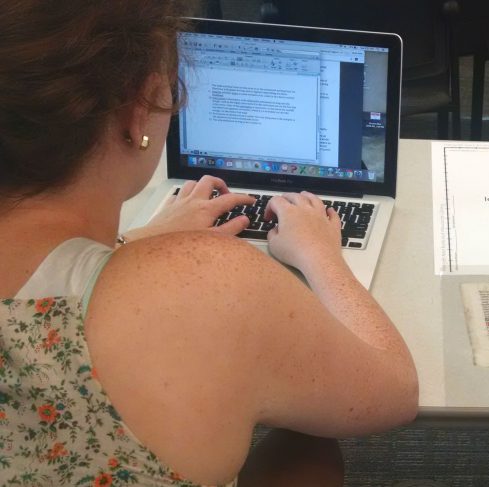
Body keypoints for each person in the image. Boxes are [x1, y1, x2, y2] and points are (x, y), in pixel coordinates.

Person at [0, 1, 418, 485]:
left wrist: (131, 242)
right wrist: (321, 254)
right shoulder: (209, 280)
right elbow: (394, 393)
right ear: (138, 115)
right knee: (311, 436)